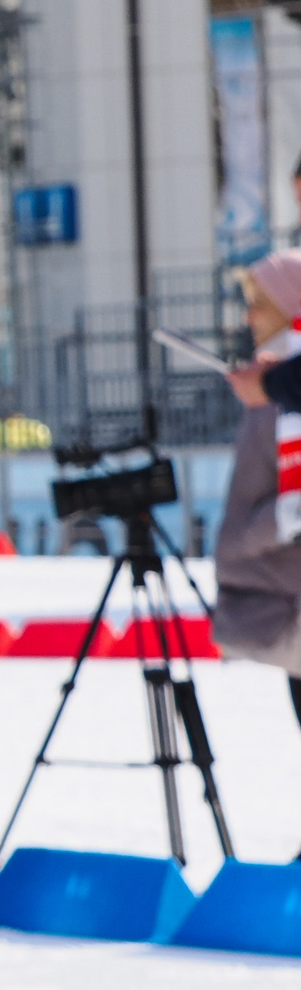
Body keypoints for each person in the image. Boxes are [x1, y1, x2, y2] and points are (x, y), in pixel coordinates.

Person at [215, 253, 301, 760]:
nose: (249, 318)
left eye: (260, 305)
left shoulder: (285, 391)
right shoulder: (275, 381)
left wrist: (249, 535)